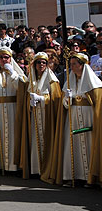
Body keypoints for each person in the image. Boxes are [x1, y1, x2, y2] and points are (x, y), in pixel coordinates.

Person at [42, 53, 102, 186]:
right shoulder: (69, 82)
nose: (72, 67)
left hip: (88, 117)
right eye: (71, 64)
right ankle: (74, 175)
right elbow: (64, 105)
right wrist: (67, 99)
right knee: (72, 145)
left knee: (89, 145)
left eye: (75, 64)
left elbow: (97, 103)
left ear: (82, 65)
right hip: (73, 117)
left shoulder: (95, 84)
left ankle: (91, 177)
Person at [16, 52, 61, 178]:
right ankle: (36, 169)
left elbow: (56, 98)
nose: (41, 64)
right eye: (38, 62)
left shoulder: (52, 79)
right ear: (34, 65)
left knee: (46, 140)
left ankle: (47, 169)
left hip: (47, 116)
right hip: (35, 116)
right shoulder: (32, 79)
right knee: (35, 140)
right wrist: (29, 102)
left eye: (43, 62)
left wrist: (42, 99)